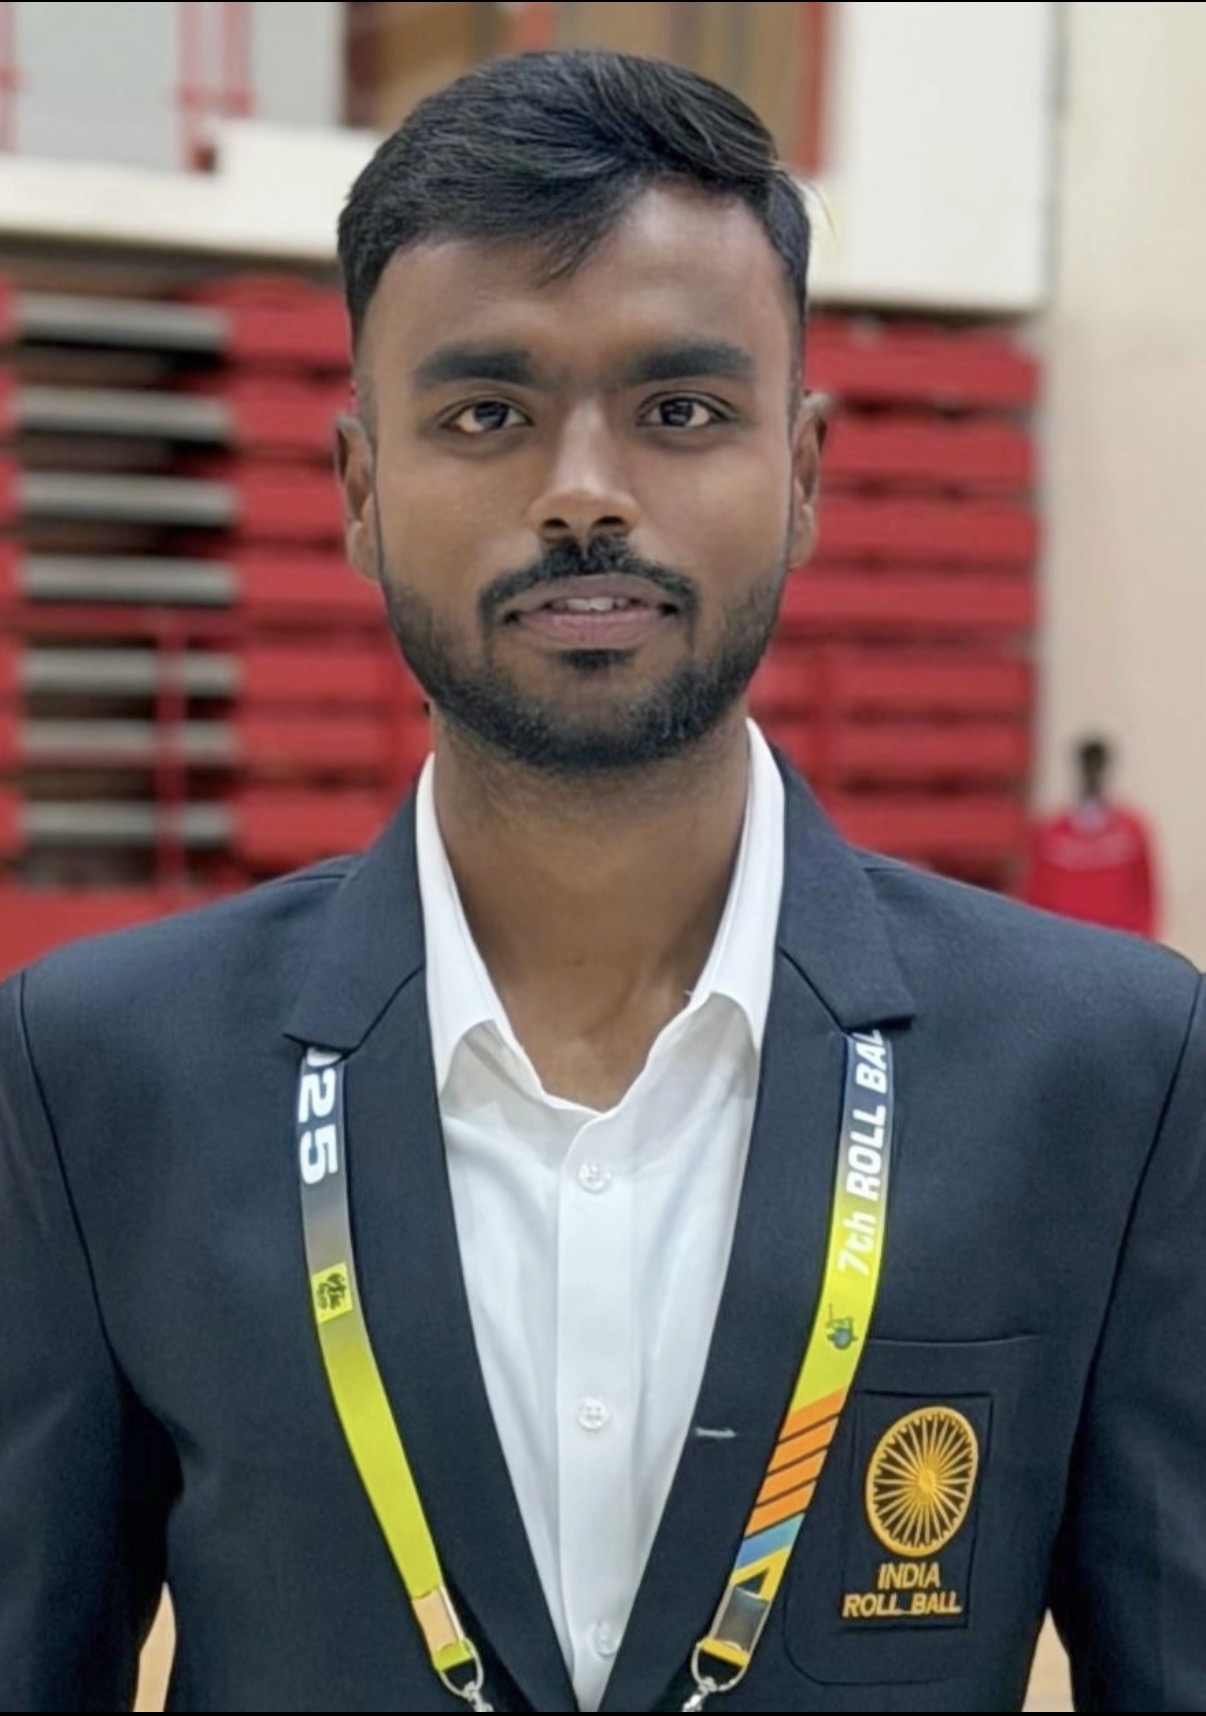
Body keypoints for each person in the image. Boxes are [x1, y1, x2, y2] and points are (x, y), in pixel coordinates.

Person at [1, 50, 1203, 1716]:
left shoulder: (1111, 1071)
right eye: (485, 414)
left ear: (802, 473)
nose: (582, 492)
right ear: (360, 491)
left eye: (680, 411)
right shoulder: (95, 1075)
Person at [1023, 735, 1159, 937]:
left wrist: (1142, 936)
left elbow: (1145, 892)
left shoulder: (1131, 830)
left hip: (1118, 940)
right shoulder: (1052, 834)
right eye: (1088, 766)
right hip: (1066, 939)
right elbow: (1036, 892)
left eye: (1098, 766)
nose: (1093, 774)